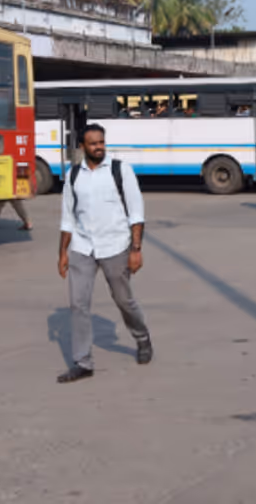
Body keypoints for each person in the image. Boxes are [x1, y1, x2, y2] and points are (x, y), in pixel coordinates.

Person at [57, 124, 151, 383]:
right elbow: (67, 217)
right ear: (82, 147)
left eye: (101, 142)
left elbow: (136, 213)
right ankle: (82, 362)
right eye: (93, 143)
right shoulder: (74, 175)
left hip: (116, 246)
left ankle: (142, 338)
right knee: (78, 304)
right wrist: (62, 253)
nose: (98, 147)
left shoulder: (121, 171)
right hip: (82, 247)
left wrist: (136, 250)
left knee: (124, 300)